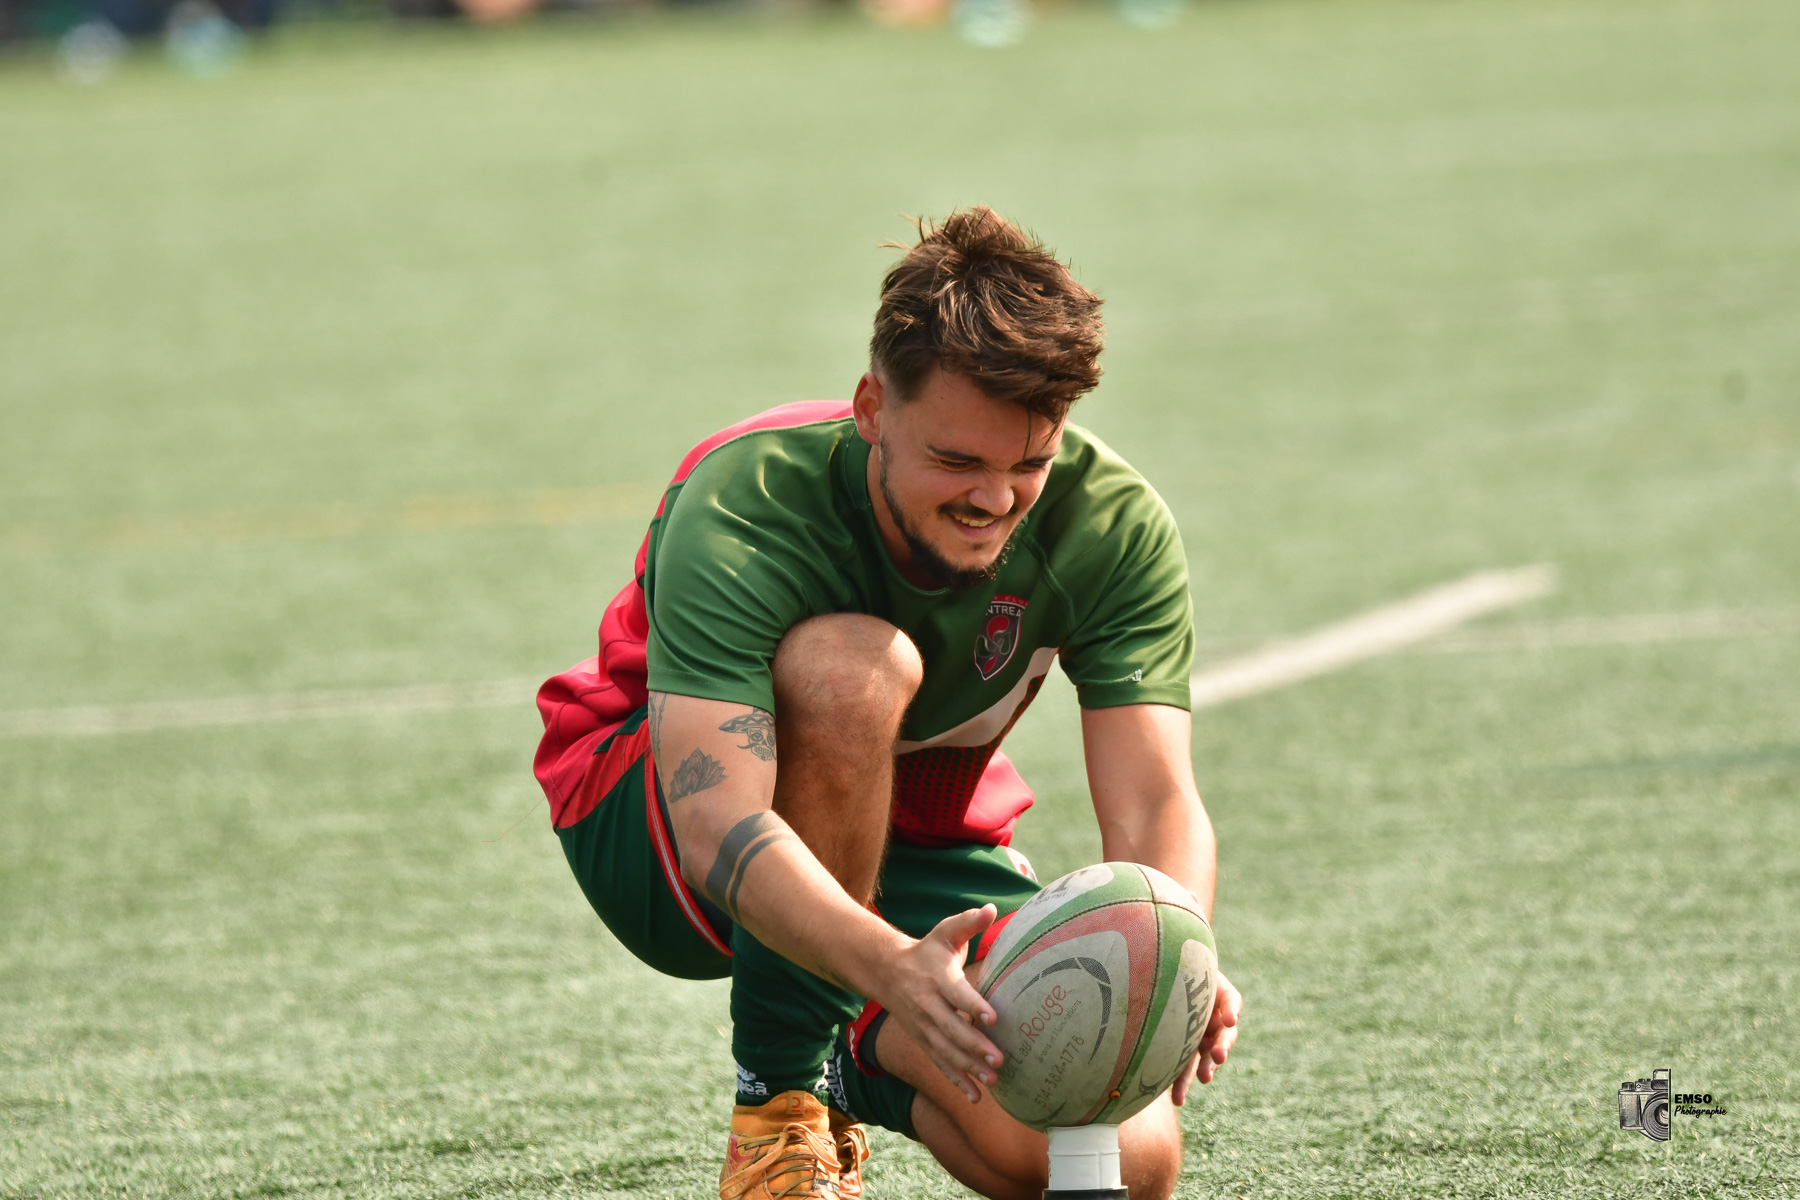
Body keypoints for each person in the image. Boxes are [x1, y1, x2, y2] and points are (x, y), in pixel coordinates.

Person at [533, 207, 1242, 1200]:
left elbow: (1159, 800)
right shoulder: (748, 494)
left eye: (1027, 464)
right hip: (649, 817)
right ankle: (778, 1105)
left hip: (911, 826)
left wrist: (1177, 964)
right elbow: (715, 824)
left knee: (1138, 1155)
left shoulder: (1112, 525)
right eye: (958, 460)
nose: (995, 498)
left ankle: (855, 1056)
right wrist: (891, 964)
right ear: (872, 407)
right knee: (854, 668)